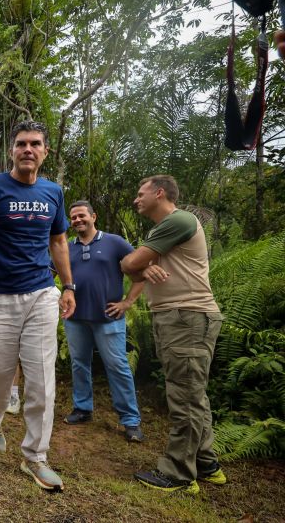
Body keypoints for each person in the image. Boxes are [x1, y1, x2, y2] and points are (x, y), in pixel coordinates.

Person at [0, 120, 74, 491]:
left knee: (42, 378)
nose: (28, 149)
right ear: (12, 151)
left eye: (35, 144)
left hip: (41, 293)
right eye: (21, 143)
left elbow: (59, 242)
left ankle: (35, 456)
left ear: (45, 152)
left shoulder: (53, 192)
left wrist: (68, 286)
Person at [121, 175, 225, 494]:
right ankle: (206, 464)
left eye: (141, 193)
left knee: (185, 395)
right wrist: (143, 268)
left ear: (159, 193)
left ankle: (178, 474)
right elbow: (136, 269)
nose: (136, 199)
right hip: (178, 317)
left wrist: (137, 266)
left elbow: (128, 262)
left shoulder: (178, 220)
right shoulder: (164, 229)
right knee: (191, 393)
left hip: (187, 317)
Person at [62, 200, 145, 442]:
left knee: (117, 366)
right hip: (75, 318)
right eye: (73, 217)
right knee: (79, 363)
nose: (77, 220)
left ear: (93, 216)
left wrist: (127, 302)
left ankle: (130, 420)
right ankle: (82, 409)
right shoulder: (67, 247)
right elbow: (50, 272)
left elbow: (141, 272)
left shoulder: (114, 242)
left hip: (108, 318)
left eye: (81, 216)